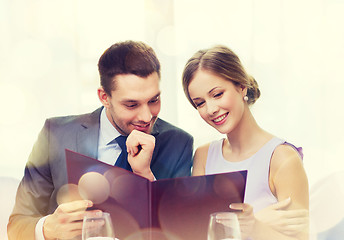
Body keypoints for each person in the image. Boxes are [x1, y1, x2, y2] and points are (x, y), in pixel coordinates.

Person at [8, 40, 193, 240]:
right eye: (131, 104)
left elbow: (180, 231)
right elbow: (17, 224)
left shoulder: (178, 143)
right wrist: (46, 228)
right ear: (104, 97)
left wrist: (145, 175)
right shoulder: (55, 135)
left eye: (154, 100)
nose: (147, 116)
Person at [182, 45, 309, 239]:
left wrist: (255, 226)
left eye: (217, 94)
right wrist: (261, 219)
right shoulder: (203, 156)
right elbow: (196, 233)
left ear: (242, 86)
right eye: (200, 103)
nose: (211, 109)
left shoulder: (282, 158)